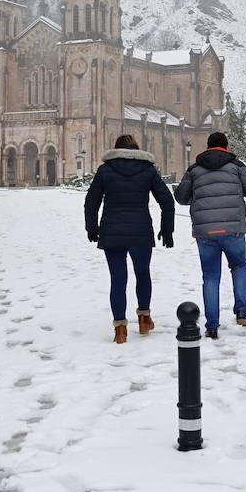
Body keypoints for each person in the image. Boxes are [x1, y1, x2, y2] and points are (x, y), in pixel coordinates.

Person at [174, 131, 246, 339]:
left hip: (206, 232)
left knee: (210, 276)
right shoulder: (237, 167)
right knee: (239, 267)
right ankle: (242, 313)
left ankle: (212, 325)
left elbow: (181, 198)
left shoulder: (194, 170)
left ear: (208, 147)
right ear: (226, 147)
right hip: (233, 230)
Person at [85, 134, 175, 344]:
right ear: (137, 150)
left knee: (118, 279)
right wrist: (167, 229)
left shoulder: (105, 170)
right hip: (140, 231)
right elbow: (167, 201)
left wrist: (92, 227)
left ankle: (120, 329)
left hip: (112, 231)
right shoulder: (148, 170)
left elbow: (91, 201)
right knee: (143, 273)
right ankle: (144, 319)